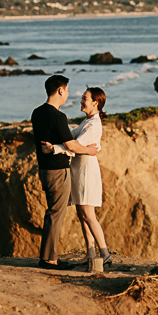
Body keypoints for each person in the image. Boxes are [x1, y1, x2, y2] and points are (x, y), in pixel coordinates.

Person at [30, 75, 99, 270]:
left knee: (53, 212)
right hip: (58, 170)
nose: (68, 94)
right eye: (67, 90)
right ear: (60, 91)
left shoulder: (37, 112)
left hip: (44, 168)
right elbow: (71, 144)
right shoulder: (58, 116)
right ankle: (49, 260)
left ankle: (49, 257)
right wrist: (89, 150)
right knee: (55, 214)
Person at [41, 86, 112, 273]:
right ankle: (90, 253)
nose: (81, 101)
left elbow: (76, 146)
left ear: (95, 103)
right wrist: (57, 137)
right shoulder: (87, 121)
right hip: (79, 170)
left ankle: (105, 254)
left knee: (89, 214)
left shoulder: (94, 123)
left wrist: (54, 149)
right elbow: (70, 137)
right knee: (82, 215)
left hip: (87, 172)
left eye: (84, 99)